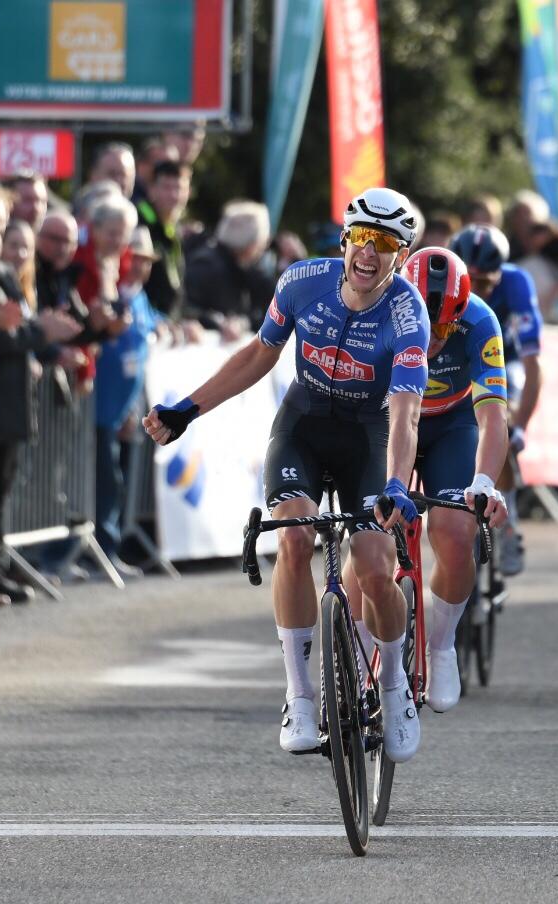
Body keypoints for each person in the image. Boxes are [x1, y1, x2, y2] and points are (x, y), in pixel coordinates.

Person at [143, 187, 430, 763]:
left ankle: (395, 683)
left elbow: (405, 413)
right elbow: (257, 356)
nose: (368, 254)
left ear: (401, 255)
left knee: (375, 567)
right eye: (361, 239)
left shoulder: (407, 313)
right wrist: (186, 409)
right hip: (303, 423)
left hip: (367, 437)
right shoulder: (301, 282)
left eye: (385, 244)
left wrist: (398, 482)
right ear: (345, 240)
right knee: (293, 539)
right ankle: (300, 696)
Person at [398, 246, 510, 713]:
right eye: (428, 326)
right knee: (372, 535)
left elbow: (493, 418)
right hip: (389, 422)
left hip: (453, 425)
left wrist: (484, 480)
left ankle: (441, 646)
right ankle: (358, 644)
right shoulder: (386, 310)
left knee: (455, 531)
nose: (435, 340)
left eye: (446, 327)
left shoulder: (481, 322)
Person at [0, 227, 82, 602]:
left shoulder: (6, 282)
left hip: (10, 411)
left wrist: (33, 331)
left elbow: (18, 328)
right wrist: (38, 332)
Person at [449, 224, 543, 575]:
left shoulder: (517, 283)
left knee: (502, 418)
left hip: (506, 360)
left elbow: (533, 367)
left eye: (486, 284)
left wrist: (520, 428)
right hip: (456, 355)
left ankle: (510, 525)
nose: (478, 294)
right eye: (471, 283)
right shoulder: (441, 275)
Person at [92, 228, 161, 576]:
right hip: (100, 406)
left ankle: (110, 548)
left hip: (124, 408)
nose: (139, 267)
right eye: (134, 259)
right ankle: (102, 550)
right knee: (105, 480)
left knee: (115, 480)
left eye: (145, 261)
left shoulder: (139, 297)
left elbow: (148, 332)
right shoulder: (112, 295)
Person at [184, 200, 275, 337]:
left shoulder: (244, 270)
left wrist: (243, 323)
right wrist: (219, 322)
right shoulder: (208, 266)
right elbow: (188, 309)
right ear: (252, 244)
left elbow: (270, 311)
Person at [135, 160, 190, 317]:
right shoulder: (139, 222)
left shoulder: (174, 230)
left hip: (166, 323)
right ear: (152, 190)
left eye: (179, 188)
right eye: (166, 187)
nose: (174, 195)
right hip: (145, 321)